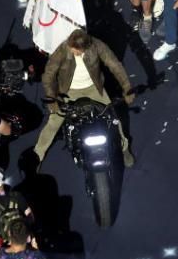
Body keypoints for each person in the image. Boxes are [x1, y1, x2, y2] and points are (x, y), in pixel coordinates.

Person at [34, 29, 135, 166]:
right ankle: (36, 158)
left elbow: (114, 65)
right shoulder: (64, 49)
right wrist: (51, 97)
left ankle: (124, 149)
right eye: (71, 47)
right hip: (68, 91)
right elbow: (48, 74)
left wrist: (127, 87)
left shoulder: (97, 46)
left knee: (113, 119)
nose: (72, 51)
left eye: (76, 50)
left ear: (85, 47)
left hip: (94, 89)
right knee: (53, 123)